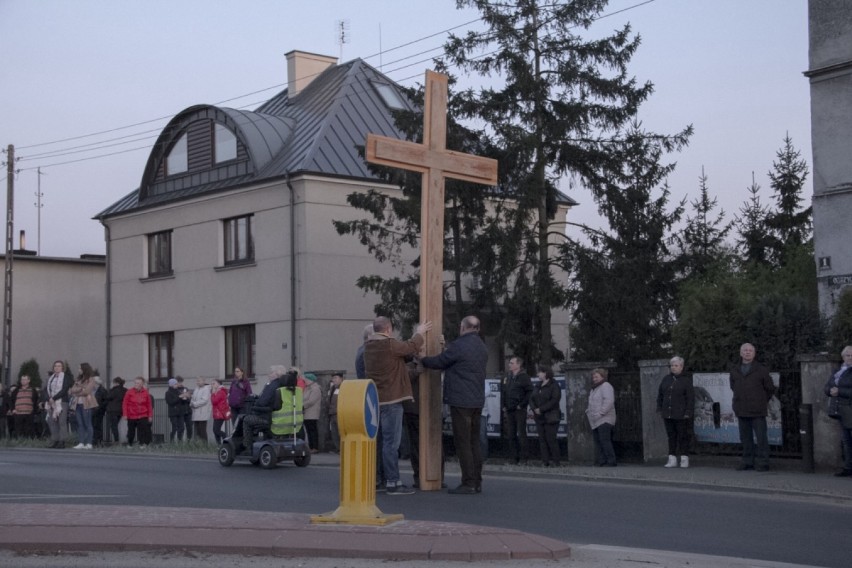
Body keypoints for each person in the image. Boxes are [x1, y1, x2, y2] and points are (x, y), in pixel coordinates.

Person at [364, 316, 432, 495]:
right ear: (388, 329)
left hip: (376, 401)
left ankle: (382, 480)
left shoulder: (368, 347)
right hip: (392, 401)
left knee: (380, 443)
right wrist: (420, 332)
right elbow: (411, 346)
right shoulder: (390, 345)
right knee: (391, 444)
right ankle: (394, 483)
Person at [421, 315, 488, 494]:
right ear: (478, 329)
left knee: (463, 442)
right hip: (477, 400)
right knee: (474, 441)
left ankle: (468, 482)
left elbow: (440, 362)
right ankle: (477, 481)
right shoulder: (482, 347)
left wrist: (422, 359)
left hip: (460, 401)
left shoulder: (459, 345)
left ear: (463, 327)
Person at [729, 343, 776, 472]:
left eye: (750, 350)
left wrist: (761, 399)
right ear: (741, 353)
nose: (747, 352)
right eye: (745, 350)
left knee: (761, 438)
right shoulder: (735, 370)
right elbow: (733, 386)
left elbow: (770, 388)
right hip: (741, 408)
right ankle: (747, 461)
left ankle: (763, 462)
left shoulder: (761, 369)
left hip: (758, 410)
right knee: (745, 438)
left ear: (754, 353)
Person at [657, 356, 695, 468]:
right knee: (671, 436)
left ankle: (684, 458)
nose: (673, 368)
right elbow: (661, 394)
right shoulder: (666, 379)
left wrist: (688, 412)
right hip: (668, 413)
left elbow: (690, 398)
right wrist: (659, 407)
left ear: (681, 367)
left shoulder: (686, 381)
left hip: (681, 414)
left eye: (676, 365)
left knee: (683, 436)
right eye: (672, 365)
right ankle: (672, 458)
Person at [241, 365, 288, 451]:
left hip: (267, 417)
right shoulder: (284, 386)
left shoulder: (272, 386)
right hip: (280, 417)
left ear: (276, 374)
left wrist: (255, 405)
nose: (268, 375)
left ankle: (247, 446)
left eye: (271, 373)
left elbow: (262, 402)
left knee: (246, 420)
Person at [824, 345, 852, 477]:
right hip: (841, 409)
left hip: (850, 408)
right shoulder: (837, 371)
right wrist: (830, 391)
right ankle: (848, 467)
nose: (850, 357)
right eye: (848, 355)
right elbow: (827, 386)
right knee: (846, 440)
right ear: (843, 357)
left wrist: (839, 391)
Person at [501, 356, 533, 465]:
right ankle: (513, 458)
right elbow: (504, 392)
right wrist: (503, 405)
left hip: (519, 409)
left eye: (512, 363)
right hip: (509, 409)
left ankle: (524, 458)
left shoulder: (524, 377)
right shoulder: (508, 377)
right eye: (509, 363)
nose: (509, 364)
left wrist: (522, 404)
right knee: (511, 434)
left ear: (518, 365)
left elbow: (529, 392)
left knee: (521, 434)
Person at [530, 365, 561, 467]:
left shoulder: (554, 385)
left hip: (550, 416)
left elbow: (554, 400)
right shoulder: (538, 385)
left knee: (551, 439)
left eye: (539, 372)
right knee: (542, 440)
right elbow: (532, 398)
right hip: (539, 417)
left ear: (545, 373)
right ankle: (545, 461)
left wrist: (541, 409)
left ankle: (556, 461)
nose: (538, 374)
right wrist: (534, 408)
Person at [586, 368, 617, 467]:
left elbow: (609, 401)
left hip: (605, 418)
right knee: (598, 441)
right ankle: (601, 460)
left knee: (605, 440)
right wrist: (588, 411)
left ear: (602, 377)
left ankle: (611, 461)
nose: (594, 379)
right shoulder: (594, 389)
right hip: (595, 419)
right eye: (593, 377)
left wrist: (601, 413)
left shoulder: (606, 386)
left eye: (596, 377)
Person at [44, 360, 74, 448]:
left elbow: (64, 389)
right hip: (51, 403)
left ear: (62, 368)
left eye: (59, 366)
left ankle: (62, 441)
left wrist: (54, 398)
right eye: (55, 366)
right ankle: (55, 440)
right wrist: (49, 398)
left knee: (62, 422)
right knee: (52, 422)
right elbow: (46, 389)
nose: (57, 367)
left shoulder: (66, 377)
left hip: (61, 402)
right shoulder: (51, 378)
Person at [69, 363, 97, 449]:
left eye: (80, 368)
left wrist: (78, 391)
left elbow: (87, 391)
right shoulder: (78, 379)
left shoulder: (91, 379)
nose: (78, 370)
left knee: (88, 423)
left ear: (84, 369)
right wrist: (81, 388)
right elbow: (71, 390)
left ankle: (89, 443)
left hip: (87, 404)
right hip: (77, 404)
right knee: (80, 424)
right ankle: (81, 442)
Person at [123, 376, 153, 447]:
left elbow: (149, 405)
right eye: (135, 383)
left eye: (138, 383)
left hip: (143, 415)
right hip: (131, 415)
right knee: (131, 431)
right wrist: (125, 414)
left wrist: (150, 416)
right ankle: (130, 443)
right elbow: (124, 404)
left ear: (142, 384)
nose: (136, 384)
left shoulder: (145, 392)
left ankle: (142, 444)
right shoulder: (129, 392)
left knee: (142, 431)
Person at [165, 377, 190, 442]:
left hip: (180, 413)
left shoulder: (178, 391)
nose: (177, 385)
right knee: (174, 428)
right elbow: (170, 402)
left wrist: (186, 397)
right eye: (175, 384)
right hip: (173, 413)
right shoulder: (168, 393)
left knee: (181, 428)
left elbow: (183, 401)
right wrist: (179, 397)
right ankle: (172, 441)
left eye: (176, 384)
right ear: (171, 385)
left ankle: (180, 441)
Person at [302, 372, 322, 452]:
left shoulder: (315, 389)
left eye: (306, 379)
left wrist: (302, 405)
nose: (305, 381)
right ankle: (311, 447)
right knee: (309, 431)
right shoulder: (307, 388)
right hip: (306, 413)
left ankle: (315, 447)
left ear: (310, 380)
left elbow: (311, 401)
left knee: (312, 431)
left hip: (312, 413)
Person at [105, 377, 127, 444]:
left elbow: (108, 397)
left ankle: (116, 440)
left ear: (116, 383)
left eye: (113, 383)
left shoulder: (114, 390)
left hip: (112, 410)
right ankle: (119, 439)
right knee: (117, 425)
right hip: (120, 410)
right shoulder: (125, 390)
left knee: (114, 426)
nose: (113, 384)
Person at [190, 377, 212, 443]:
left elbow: (204, 400)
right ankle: (198, 444)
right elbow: (193, 398)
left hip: (203, 412)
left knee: (202, 430)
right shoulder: (196, 389)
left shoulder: (206, 389)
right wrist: (191, 403)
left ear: (204, 381)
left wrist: (194, 404)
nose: (198, 382)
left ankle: (205, 444)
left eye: (199, 381)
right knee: (197, 430)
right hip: (196, 412)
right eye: (197, 381)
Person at [327, 373, 343, 453]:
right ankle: (338, 448)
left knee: (340, 432)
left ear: (341, 379)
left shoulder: (343, 387)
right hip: (332, 413)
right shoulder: (332, 388)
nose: (334, 380)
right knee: (334, 432)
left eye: (336, 378)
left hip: (339, 413)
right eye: (333, 378)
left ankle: (342, 449)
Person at [210, 379, 231, 444]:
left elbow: (214, 401)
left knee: (216, 430)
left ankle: (226, 438)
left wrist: (213, 394)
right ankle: (218, 445)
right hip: (217, 413)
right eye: (212, 384)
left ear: (218, 384)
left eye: (214, 383)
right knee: (215, 430)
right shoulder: (217, 391)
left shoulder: (221, 391)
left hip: (220, 414)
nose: (212, 385)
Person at [91, 376, 108, 447]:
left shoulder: (102, 390)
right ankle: (94, 440)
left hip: (99, 411)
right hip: (91, 410)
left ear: (96, 383)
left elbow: (106, 401)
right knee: (92, 425)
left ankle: (98, 440)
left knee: (97, 426)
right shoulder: (91, 390)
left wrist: (99, 407)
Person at [177, 376, 194, 440]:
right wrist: (181, 397)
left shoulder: (185, 389)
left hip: (188, 410)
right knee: (181, 428)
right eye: (178, 382)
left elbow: (189, 399)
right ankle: (180, 441)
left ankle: (188, 440)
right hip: (180, 411)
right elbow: (175, 400)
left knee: (189, 427)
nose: (180, 384)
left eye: (181, 382)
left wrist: (188, 397)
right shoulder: (175, 390)